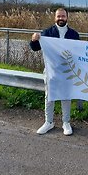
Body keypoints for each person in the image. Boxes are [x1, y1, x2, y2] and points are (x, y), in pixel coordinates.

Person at [29, 8, 80, 136]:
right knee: (49, 96)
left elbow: (78, 52)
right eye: (58, 16)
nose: (61, 18)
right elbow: (35, 48)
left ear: (67, 18)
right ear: (55, 18)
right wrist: (34, 39)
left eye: (63, 16)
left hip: (67, 71)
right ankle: (49, 122)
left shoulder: (74, 34)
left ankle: (66, 122)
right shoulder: (47, 33)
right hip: (51, 71)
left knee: (66, 96)